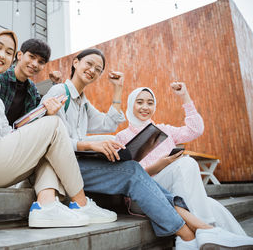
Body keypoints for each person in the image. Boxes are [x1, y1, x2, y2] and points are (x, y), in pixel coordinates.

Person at [42, 48, 253, 249]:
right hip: (69, 165)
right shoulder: (60, 91)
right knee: (137, 170)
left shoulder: (84, 103)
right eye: (90, 64)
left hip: (91, 166)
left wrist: (118, 88)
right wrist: (89, 144)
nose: (93, 71)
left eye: (99, 69)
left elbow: (108, 123)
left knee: (197, 190)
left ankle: (205, 234)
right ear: (76, 62)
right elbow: (47, 135)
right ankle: (195, 234)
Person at [0, 17, 118, 229]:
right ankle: (80, 203)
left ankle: (46, 207)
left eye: (7, 52)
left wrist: (38, 122)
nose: (1, 55)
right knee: (53, 125)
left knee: (46, 144)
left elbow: (7, 129)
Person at [115, 84, 247, 236]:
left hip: (175, 189)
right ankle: (207, 231)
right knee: (187, 163)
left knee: (214, 206)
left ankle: (238, 241)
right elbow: (127, 177)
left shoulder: (165, 130)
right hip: (145, 191)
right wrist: (159, 166)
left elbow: (195, 130)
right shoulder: (121, 137)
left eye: (150, 103)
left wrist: (185, 96)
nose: (145, 107)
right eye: (140, 102)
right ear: (131, 104)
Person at [0, 38, 63, 126]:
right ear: (19, 55)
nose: (35, 64)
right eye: (32, 57)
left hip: (17, 136)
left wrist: (56, 84)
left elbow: (37, 117)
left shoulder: (32, 90)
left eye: (41, 62)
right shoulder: (0, 77)